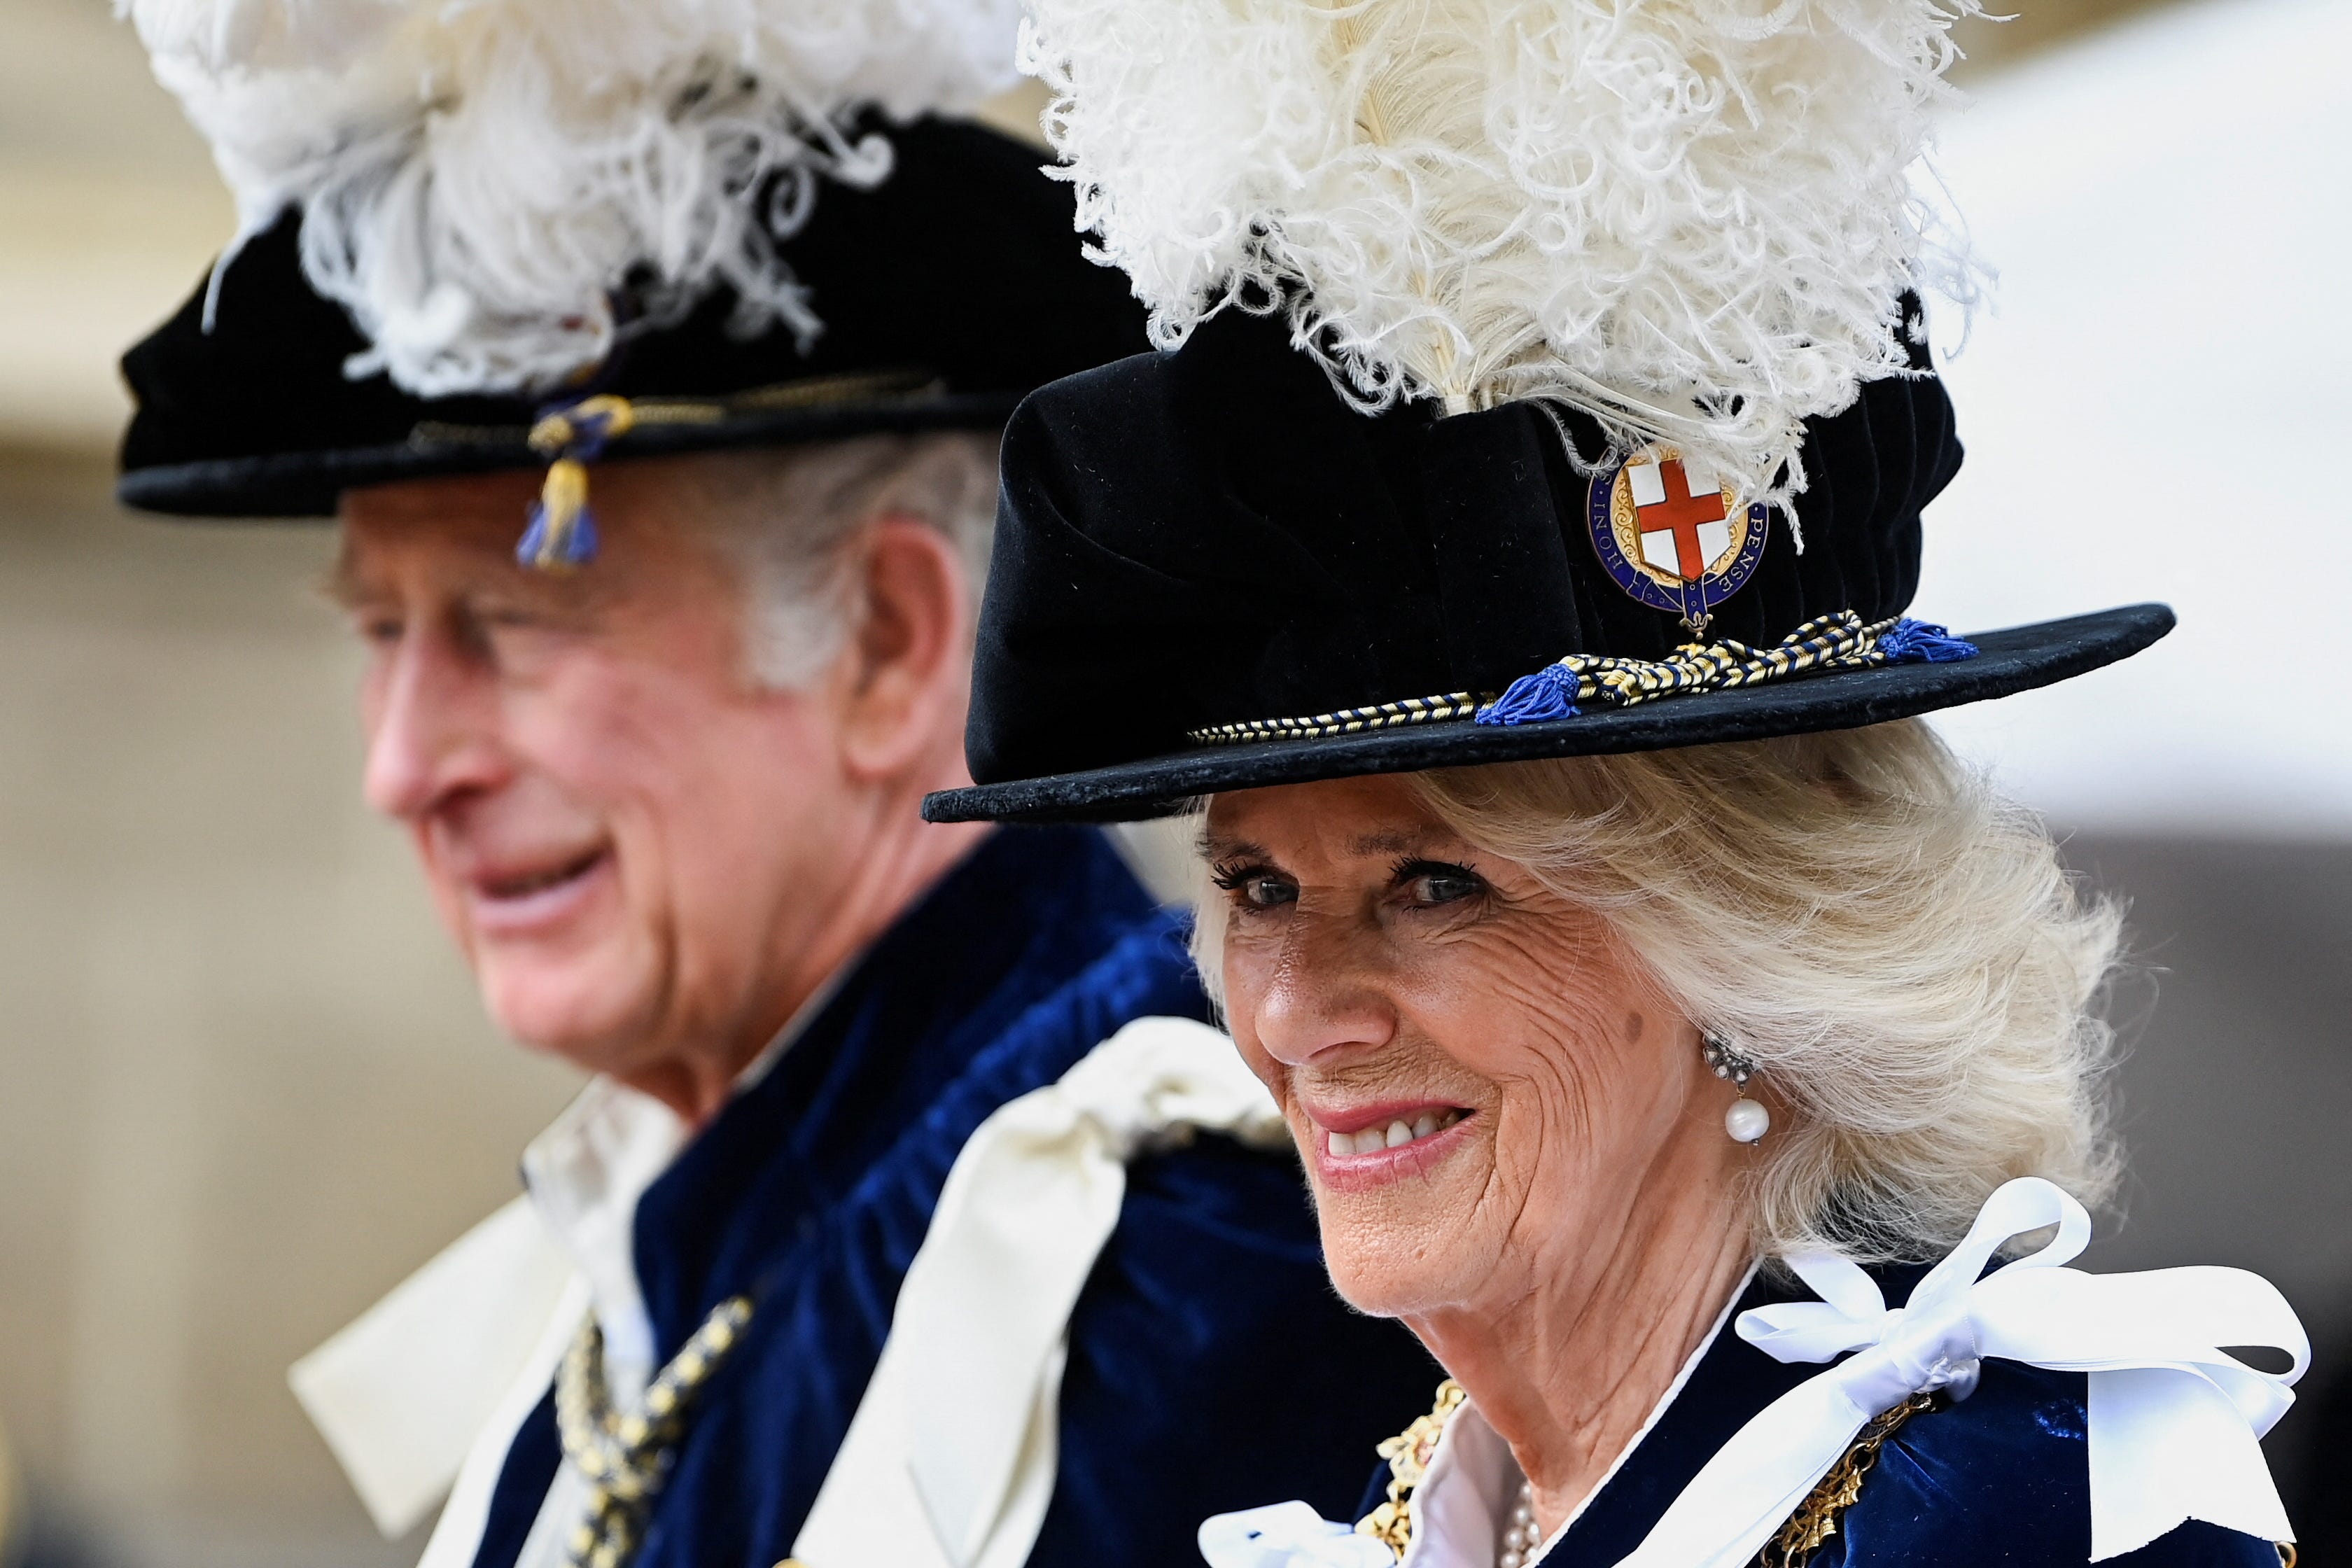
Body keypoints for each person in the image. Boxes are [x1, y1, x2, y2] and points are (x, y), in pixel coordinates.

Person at [921, 0, 2312, 1562]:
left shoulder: (2017, 1518)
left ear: (1759, 947)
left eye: (1434, 885)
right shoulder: (1455, 1504)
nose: (1300, 1014)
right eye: (1256, 887)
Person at [111, 4, 1436, 1567]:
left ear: (886, 640)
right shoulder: (680, 1253)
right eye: (385, 632)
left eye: (511, 625)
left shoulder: (1172, 1250)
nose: (406, 767)